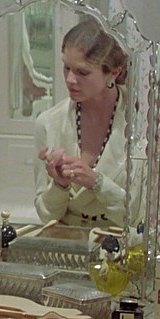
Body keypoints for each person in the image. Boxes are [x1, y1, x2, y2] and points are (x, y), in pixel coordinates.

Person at [34, 17, 143, 228]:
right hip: (65, 243)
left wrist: (96, 182)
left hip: (120, 244)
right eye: (66, 68)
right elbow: (47, 217)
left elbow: (138, 218)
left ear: (114, 73)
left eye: (82, 72)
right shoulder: (48, 123)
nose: (70, 79)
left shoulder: (141, 125)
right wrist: (59, 185)